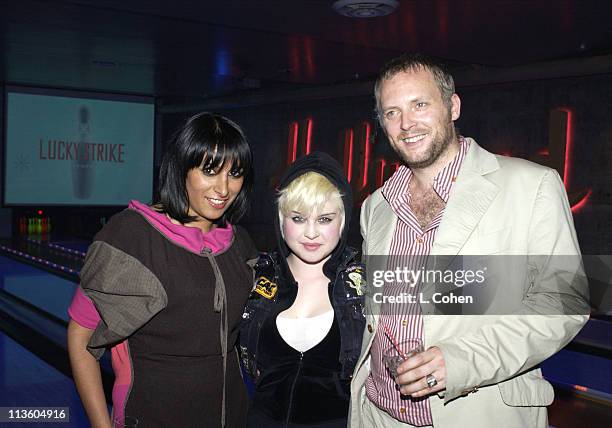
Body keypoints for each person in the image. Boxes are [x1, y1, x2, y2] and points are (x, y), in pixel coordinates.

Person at [350, 54, 590, 427]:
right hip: (379, 415)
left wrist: (462, 361)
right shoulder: (376, 206)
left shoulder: (531, 185)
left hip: (478, 413)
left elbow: (563, 302)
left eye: (419, 104)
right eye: (391, 112)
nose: (406, 123)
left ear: (453, 106)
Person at [67, 112, 257, 428]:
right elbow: (80, 338)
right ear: (182, 167)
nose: (223, 188)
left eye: (234, 173)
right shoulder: (132, 237)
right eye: (209, 170)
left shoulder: (241, 245)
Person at [240, 152, 366, 428]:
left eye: (324, 219)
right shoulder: (254, 275)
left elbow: (472, 301)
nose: (311, 233)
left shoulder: (367, 280)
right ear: (281, 220)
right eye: (298, 218)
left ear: (343, 221)